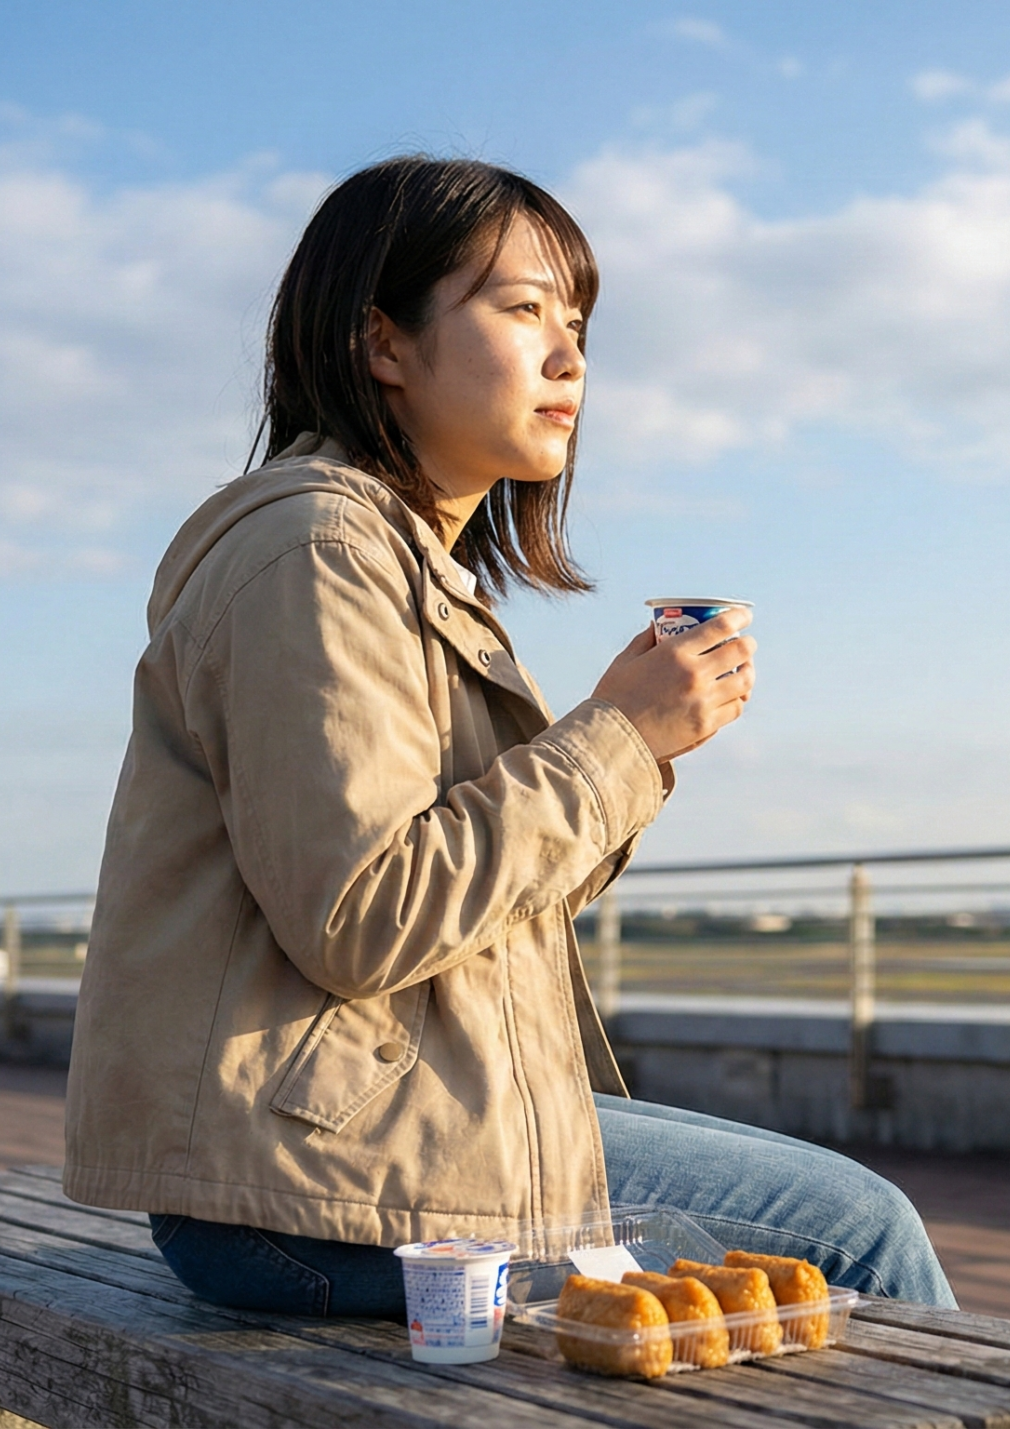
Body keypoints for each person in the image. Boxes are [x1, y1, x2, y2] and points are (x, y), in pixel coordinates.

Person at [62, 156, 955, 1317]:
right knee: (855, 1229)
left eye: (576, 321)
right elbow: (362, 917)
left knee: (800, 1219)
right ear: (382, 343)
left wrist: (639, 742)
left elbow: (469, 900)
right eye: (523, 308)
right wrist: (614, 741)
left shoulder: (390, 556)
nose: (570, 356)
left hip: (341, 1142)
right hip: (301, 1190)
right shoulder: (319, 554)